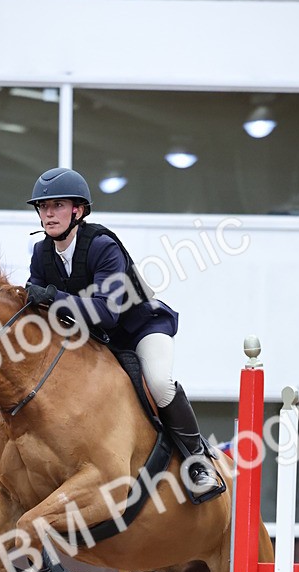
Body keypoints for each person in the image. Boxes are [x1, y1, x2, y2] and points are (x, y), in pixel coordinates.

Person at [24, 166, 225, 505]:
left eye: (57, 205)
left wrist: (54, 298)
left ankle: (198, 461)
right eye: (43, 207)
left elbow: (107, 311)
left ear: (79, 210)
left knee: (159, 383)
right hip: (97, 341)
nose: (48, 213)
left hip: (139, 330)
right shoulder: (42, 254)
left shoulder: (103, 246)